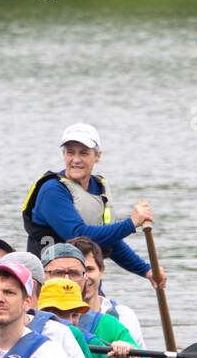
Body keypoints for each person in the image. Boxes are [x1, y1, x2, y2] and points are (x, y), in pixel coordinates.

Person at [22, 122, 165, 288]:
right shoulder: (52, 190)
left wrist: (146, 271)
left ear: (97, 156)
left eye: (83, 153)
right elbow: (79, 235)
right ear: (64, 155)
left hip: (85, 282)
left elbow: (110, 242)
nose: (76, 160)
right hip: (49, 286)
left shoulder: (99, 188)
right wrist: (131, 223)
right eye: (70, 152)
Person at [36, 279, 147, 358]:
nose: (70, 322)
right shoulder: (27, 337)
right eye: (59, 314)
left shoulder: (91, 342)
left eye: (74, 315)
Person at [69, 236, 146, 347]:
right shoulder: (54, 316)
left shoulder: (124, 316)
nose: (84, 277)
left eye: (89, 269)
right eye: (76, 272)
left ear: (101, 270)